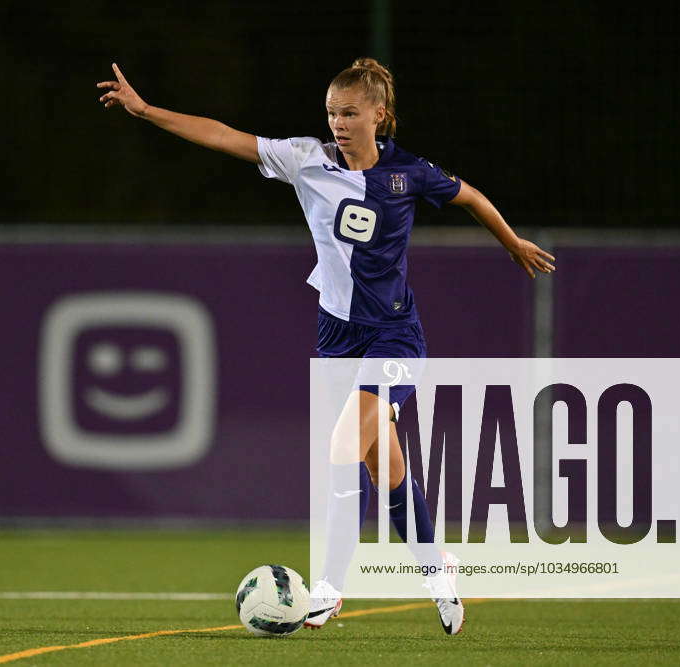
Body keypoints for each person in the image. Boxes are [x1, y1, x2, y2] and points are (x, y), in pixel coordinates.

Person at [97, 58, 555, 636]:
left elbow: (470, 197)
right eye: (332, 112)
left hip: (394, 335)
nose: (338, 123)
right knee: (382, 464)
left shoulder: (408, 173)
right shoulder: (306, 159)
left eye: (350, 113)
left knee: (346, 440)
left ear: (379, 116)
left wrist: (511, 242)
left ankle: (330, 589)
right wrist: (145, 111)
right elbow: (221, 134)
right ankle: (437, 568)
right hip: (336, 337)